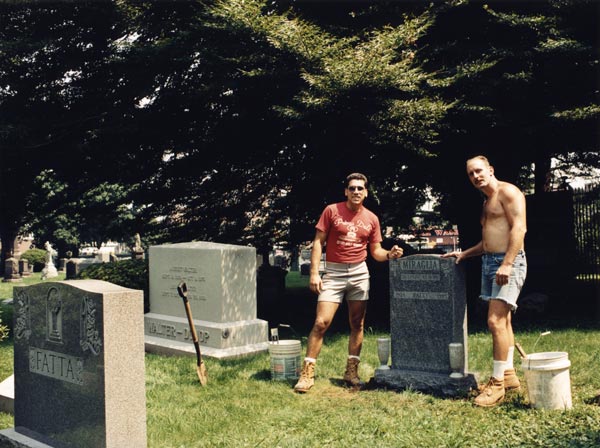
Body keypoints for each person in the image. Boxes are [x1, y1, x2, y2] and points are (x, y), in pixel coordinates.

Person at [293, 173, 404, 393]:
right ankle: (307, 373)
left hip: (359, 273)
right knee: (321, 322)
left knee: (357, 323)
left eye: (360, 188)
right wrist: (315, 273)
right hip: (333, 273)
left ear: (366, 193)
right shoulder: (331, 211)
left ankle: (351, 372)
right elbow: (318, 242)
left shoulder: (371, 218)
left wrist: (390, 254)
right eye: (352, 188)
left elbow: (376, 252)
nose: (356, 192)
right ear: (346, 191)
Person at [442, 155, 527, 407]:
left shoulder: (508, 192)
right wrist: (465, 253)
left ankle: (497, 383)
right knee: (505, 320)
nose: (475, 177)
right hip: (490, 262)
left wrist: (508, 263)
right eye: (470, 174)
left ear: (490, 170)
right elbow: (488, 241)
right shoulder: (487, 201)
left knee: (495, 321)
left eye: (478, 171)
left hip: (507, 263)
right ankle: (509, 375)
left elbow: (519, 229)